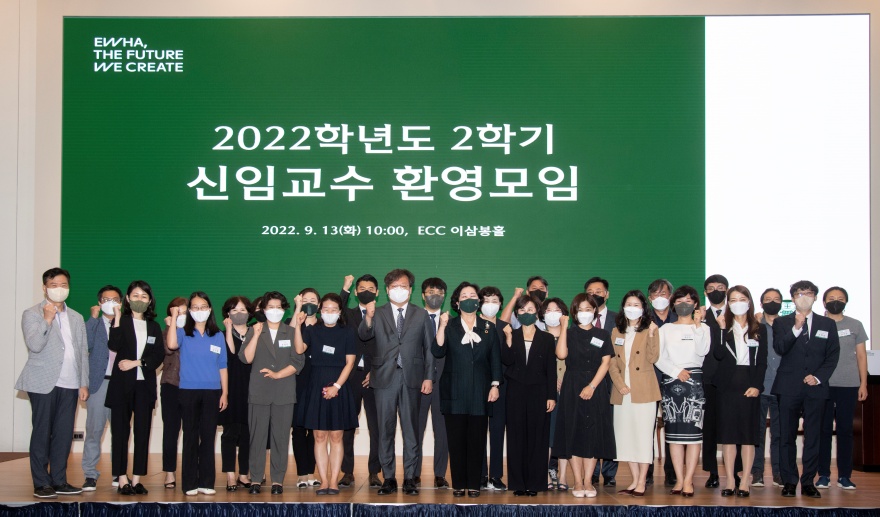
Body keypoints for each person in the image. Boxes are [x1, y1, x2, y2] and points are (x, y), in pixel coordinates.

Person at [359, 269, 435, 496]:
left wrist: (428, 377)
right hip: (384, 377)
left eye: (403, 286)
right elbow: (364, 335)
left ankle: (410, 478)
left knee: (411, 429)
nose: (399, 290)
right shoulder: (378, 312)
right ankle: (389, 477)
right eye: (394, 287)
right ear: (387, 290)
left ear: (410, 290)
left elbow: (429, 348)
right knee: (385, 429)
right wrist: (368, 317)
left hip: (412, 377)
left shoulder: (421, 314)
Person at [17, 268, 89, 499]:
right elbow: (35, 344)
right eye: (54, 285)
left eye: (64, 285)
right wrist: (47, 319)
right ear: (44, 287)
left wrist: (83, 383)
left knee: (64, 434)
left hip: (71, 383)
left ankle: (59, 480)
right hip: (43, 382)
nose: (60, 289)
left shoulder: (76, 317)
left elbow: (82, 352)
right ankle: (41, 483)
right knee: (42, 432)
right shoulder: (32, 313)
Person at [432, 282, 502, 498]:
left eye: (473, 295)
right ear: (457, 302)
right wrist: (441, 326)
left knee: (477, 440)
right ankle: (458, 484)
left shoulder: (488, 327)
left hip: (481, 392)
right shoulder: (450, 325)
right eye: (464, 296)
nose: (469, 299)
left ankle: (474, 484)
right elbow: (438, 350)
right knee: (456, 441)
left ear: (478, 301)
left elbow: (495, 358)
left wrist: (495, 385)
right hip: (454, 391)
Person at [772, 280, 840, 499]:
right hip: (788, 387)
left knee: (814, 436)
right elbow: (780, 347)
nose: (804, 297)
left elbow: (833, 355)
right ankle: (789, 481)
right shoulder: (782, 322)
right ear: (792, 298)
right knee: (786, 436)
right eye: (799, 293)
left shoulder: (827, 324)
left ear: (815, 297)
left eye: (809, 293)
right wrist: (796, 328)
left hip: (816, 388)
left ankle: (809, 481)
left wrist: (818, 377)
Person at [240, 291, 304, 495]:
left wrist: (278, 374)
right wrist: (256, 335)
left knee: (280, 438)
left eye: (278, 307)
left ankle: (277, 480)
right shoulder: (255, 330)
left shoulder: (291, 331)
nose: (275, 311)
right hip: (259, 391)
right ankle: (255, 479)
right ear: (263, 310)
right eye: (270, 307)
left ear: (284, 309)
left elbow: (298, 361)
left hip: (284, 392)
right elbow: (246, 358)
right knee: (257, 437)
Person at [105, 280, 166, 495]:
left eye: (144, 296)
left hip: (144, 387)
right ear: (128, 299)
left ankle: (137, 478)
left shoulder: (154, 326)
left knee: (143, 432)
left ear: (150, 301)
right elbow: (113, 345)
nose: (140, 299)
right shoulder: (121, 321)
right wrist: (117, 317)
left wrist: (137, 363)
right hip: (121, 386)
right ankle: (122, 478)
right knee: (120, 433)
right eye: (135, 295)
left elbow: (159, 355)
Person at [166, 291, 229, 496]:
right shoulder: (183, 333)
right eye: (195, 307)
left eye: (203, 307)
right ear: (190, 311)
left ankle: (207, 482)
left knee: (208, 437)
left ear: (209, 309)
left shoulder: (218, 335)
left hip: (212, 392)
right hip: (188, 391)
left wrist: (225, 393)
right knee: (190, 437)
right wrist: (174, 318)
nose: (199, 310)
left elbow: (223, 366)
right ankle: (190, 483)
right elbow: (171, 345)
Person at [295, 293, 358, 495]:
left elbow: (350, 363)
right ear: (320, 311)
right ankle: (323, 481)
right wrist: (297, 326)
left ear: (339, 312)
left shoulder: (348, 332)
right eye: (326, 309)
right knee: (319, 436)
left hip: (339, 385)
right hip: (316, 385)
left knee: (337, 436)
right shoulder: (312, 330)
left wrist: (337, 386)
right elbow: (299, 349)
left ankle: (333, 481)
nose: (329, 313)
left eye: (334, 309)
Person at [555, 293, 615, 498]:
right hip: (572, 386)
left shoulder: (602, 334)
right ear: (574, 312)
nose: (584, 313)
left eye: (588, 309)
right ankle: (578, 482)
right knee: (574, 432)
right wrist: (564, 327)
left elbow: (606, 363)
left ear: (595, 311)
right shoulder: (569, 333)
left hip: (596, 387)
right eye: (580, 310)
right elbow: (561, 354)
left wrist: (592, 386)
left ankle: (589, 481)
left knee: (592, 434)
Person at [711, 286, 768, 498]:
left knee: (747, 436)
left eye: (742, 299)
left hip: (749, 385)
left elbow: (762, 362)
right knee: (728, 437)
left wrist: (757, 386)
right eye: (733, 300)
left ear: (749, 302)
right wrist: (720, 330)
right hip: (727, 386)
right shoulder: (723, 326)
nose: (737, 303)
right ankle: (729, 480)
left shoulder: (759, 328)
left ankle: (744, 481)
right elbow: (718, 354)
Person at [655, 285, 709, 498]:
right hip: (671, 381)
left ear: (695, 304)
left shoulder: (704, 328)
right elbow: (658, 357)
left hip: (694, 382)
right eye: (679, 301)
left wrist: (698, 325)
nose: (683, 304)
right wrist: (676, 371)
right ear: (673, 304)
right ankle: (678, 478)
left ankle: (689, 480)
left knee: (693, 434)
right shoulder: (665, 329)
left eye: (688, 300)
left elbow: (703, 351)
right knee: (674, 435)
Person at [501, 294, 556, 496]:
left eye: (531, 310)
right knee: (516, 438)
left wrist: (551, 396)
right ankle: (518, 483)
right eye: (522, 310)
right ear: (517, 313)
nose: (526, 313)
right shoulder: (511, 334)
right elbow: (506, 360)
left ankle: (535, 483)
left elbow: (551, 369)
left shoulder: (547, 338)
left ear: (537, 313)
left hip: (539, 392)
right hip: (515, 391)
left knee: (538, 438)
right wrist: (508, 339)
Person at [608, 290, 660, 497]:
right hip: (622, 391)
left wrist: (653, 335)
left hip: (644, 390)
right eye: (629, 304)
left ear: (643, 308)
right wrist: (619, 384)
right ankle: (634, 479)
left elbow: (653, 358)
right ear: (623, 308)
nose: (632, 308)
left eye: (636, 305)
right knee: (625, 437)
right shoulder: (616, 332)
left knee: (643, 436)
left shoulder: (650, 330)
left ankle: (641, 481)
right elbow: (612, 362)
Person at [817, 286, 868, 490]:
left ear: (846, 302)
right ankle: (823, 475)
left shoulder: (855, 325)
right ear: (824, 302)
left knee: (845, 430)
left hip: (849, 384)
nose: (835, 301)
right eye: (831, 298)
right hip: (823, 384)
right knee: (823, 430)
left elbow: (861, 356)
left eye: (840, 298)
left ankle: (845, 476)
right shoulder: (818, 324)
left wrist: (863, 383)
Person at [340, 274, 382, 488]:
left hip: (375, 377)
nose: (366, 291)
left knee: (377, 427)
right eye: (362, 288)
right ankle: (347, 472)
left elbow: (388, 346)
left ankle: (374, 472)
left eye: (371, 288)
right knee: (348, 425)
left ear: (377, 292)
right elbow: (336, 308)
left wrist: (375, 370)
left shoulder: (383, 315)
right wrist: (345, 288)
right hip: (351, 376)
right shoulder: (348, 313)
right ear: (356, 292)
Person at [701, 274, 741, 489]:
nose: (715, 291)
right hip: (708, 379)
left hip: (732, 379)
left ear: (727, 290)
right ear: (705, 292)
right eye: (711, 288)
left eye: (720, 287)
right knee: (709, 428)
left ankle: (735, 472)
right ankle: (712, 472)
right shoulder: (700, 315)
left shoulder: (737, 315)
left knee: (733, 427)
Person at [81, 284, 122, 491]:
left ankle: (118, 473)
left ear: (121, 303)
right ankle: (90, 474)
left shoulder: (127, 323)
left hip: (120, 384)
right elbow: (85, 345)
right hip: (98, 383)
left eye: (115, 299)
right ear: (99, 302)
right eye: (106, 299)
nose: (110, 303)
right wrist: (92, 318)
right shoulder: (93, 323)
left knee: (119, 431)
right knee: (94, 430)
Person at [415, 277, 450, 489]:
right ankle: (414, 473)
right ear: (422, 295)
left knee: (442, 431)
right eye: (430, 292)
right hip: (418, 383)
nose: (434, 295)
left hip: (444, 383)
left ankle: (440, 474)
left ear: (444, 296)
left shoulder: (452, 322)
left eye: (439, 292)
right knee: (416, 429)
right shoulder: (413, 319)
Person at [585, 277, 618, 487]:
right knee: (592, 425)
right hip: (589, 380)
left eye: (598, 291)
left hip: (614, 380)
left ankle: (610, 472)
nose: (595, 294)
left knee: (612, 425)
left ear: (606, 294)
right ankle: (593, 472)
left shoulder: (618, 318)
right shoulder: (580, 319)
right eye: (590, 291)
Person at [220, 296, 254, 491]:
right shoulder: (221, 334)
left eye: (242, 310)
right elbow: (230, 355)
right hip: (230, 389)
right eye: (234, 310)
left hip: (251, 389)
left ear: (249, 313)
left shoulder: (255, 332)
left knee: (248, 434)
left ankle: (243, 474)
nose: (238, 314)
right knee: (230, 434)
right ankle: (230, 475)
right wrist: (228, 330)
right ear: (227, 313)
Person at [752, 288, 784, 488]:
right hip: (759, 386)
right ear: (761, 303)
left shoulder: (789, 325)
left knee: (780, 434)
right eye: (768, 299)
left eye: (776, 299)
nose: (772, 302)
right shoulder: (754, 325)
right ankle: (757, 473)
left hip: (782, 388)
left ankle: (779, 473)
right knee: (757, 433)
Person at [646, 279, 677, 487]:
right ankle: (646, 472)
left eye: (663, 294)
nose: (660, 298)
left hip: (675, 380)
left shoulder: (680, 319)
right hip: (650, 379)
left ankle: (672, 472)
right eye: (655, 295)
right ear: (650, 299)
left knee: (673, 427)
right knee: (647, 427)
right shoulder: (643, 320)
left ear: (671, 297)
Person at [478, 286, 509, 491]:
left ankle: (496, 475)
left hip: (501, 387)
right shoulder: (472, 324)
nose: (490, 305)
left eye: (495, 301)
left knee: (498, 431)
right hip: (478, 386)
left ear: (500, 304)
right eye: (486, 301)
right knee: (479, 431)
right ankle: (480, 475)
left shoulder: (507, 328)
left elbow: (509, 359)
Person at [291, 288, 321, 488]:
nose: (309, 303)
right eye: (305, 300)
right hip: (297, 381)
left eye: (313, 300)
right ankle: (302, 473)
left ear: (319, 304)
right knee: (299, 428)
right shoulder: (293, 323)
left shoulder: (324, 325)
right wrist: (297, 311)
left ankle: (311, 472)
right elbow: (288, 338)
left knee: (316, 430)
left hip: (318, 381)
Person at [543, 297, 570, 491]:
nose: (553, 313)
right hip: (547, 393)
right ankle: (544, 473)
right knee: (547, 434)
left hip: (569, 392)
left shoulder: (572, 335)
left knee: (565, 434)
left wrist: (566, 381)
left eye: (557, 310)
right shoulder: (538, 336)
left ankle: (563, 476)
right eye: (548, 310)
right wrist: (551, 382)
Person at [160, 297, 187, 489]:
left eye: (185, 312)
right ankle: (169, 472)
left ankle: (191, 470)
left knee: (193, 431)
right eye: (177, 312)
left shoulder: (195, 333)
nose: (181, 316)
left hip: (192, 386)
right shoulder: (165, 332)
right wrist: (172, 327)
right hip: (171, 385)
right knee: (170, 430)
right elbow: (169, 349)